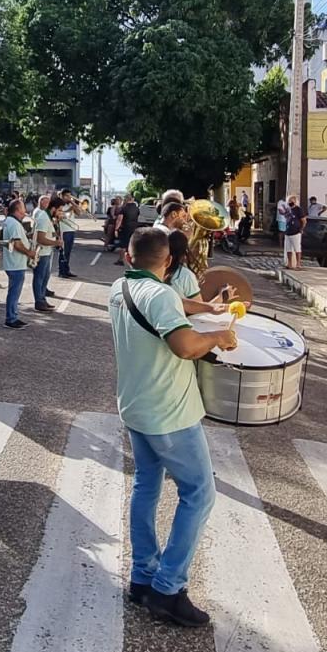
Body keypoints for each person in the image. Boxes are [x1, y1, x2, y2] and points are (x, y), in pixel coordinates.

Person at [110, 227, 236, 627]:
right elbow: (184, 346)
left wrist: (207, 307)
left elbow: (171, 301)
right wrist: (218, 335)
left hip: (135, 407)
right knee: (199, 494)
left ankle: (142, 577)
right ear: (167, 262)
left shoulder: (120, 288)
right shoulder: (160, 295)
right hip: (169, 413)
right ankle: (168, 589)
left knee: (146, 486)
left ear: (129, 257)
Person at [2, 198, 35, 329]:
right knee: (14, 293)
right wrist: (29, 253)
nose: (25, 210)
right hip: (15, 263)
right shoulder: (14, 223)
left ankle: (12, 316)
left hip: (14, 263)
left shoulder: (10, 221)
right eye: (23, 208)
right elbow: (17, 244)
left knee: (14, 292)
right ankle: (11, 319)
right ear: (17, 210)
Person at [31, 196, 62, 311]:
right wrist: (56, 242)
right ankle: (39, 301)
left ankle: (42, 299)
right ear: (53, 208)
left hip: (47, 251)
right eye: (59, 210)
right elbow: (41, 238)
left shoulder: (48, 217)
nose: (60, 213)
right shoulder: (43, 217)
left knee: (45, 277)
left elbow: (50, 233)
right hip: (42, 252)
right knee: (39, 277)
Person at [58, 190, 80, 279]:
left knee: (68, 252)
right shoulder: (59, 205)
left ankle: (66, 270)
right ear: (62, 196)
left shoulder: (70, 204)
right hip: (64, 230)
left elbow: (79, 213)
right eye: (67, 196)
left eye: (70, 196)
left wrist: (73, 204)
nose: (69, 197)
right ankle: (62, 271)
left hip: (71, 230)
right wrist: (70, 209)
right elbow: (61, 216)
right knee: (63, 252)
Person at [280, 194, 305, 270]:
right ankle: (289, 264)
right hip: (288, 231)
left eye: (291, 201)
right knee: (288, 249)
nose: (290, 202)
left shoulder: (298, 210)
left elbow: (304, 220)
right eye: (289, 201)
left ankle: (298, 264)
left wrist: (301, 229)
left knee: (297, 248)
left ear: (295, 201)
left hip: (296, 232)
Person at [114, 194, 139, 265]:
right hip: (134, 228)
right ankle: (132, 260)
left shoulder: (124, 208)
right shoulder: (137, 208)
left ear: (126, 199)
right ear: (132, 199)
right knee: (131, 244)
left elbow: (119, 220)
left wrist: (116, 229)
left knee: (123, 245)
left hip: (125, 228)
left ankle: (120, 260)